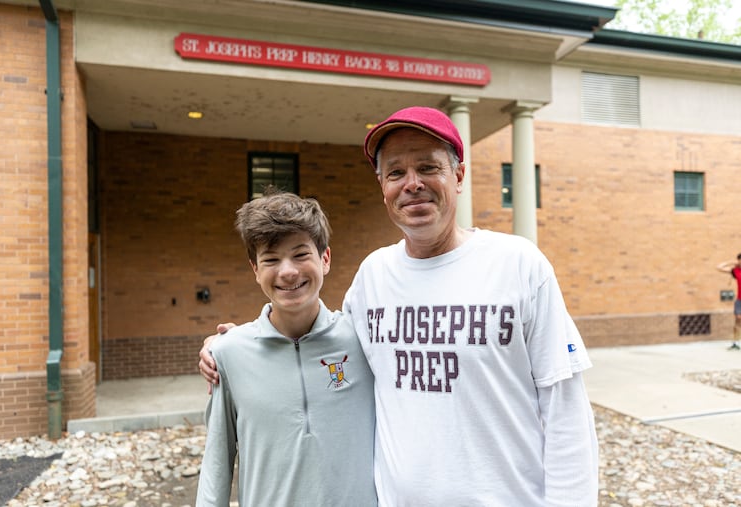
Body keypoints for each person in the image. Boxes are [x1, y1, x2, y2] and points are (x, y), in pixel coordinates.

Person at [200, 106, 599, 506]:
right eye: (396, 173)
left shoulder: (518, 265)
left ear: (458, 176)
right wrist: (238, 344)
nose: (412, 184)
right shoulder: (374, 277)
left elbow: (565, 411)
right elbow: (321, 340)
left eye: (428, 167)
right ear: (383, 187)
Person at [195, 190, 377, 507]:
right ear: (255, 269)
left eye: (301, 254)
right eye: (271, 259)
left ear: (325, 258)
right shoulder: (229, 355)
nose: (288, 271)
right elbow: (217, 464)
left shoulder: (364, 339)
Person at [716, 253, 741, 350]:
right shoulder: (735, 271)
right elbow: (719, 267)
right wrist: (731, 262)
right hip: (739, 300)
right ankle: (736, 342)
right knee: (738, 320)